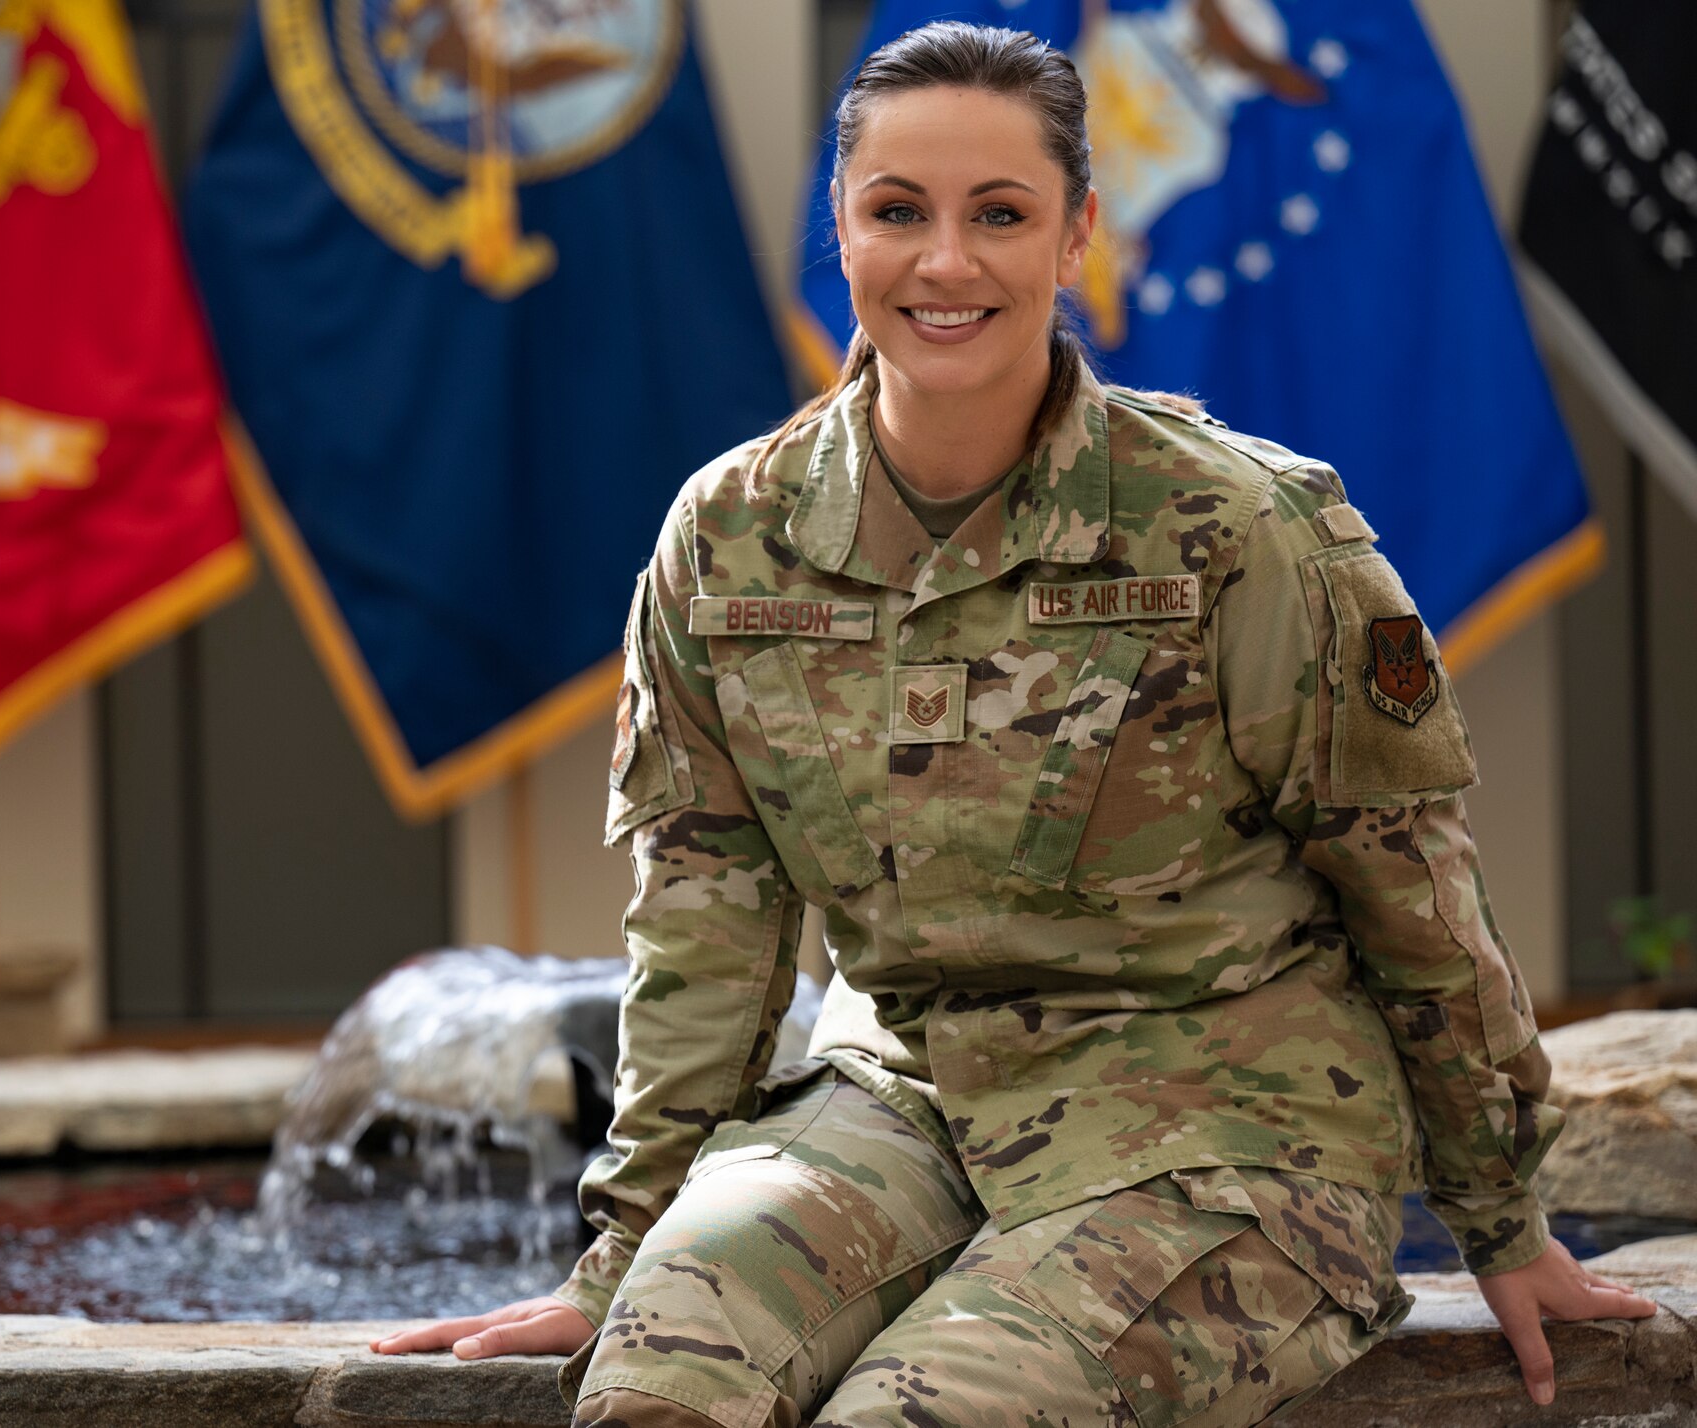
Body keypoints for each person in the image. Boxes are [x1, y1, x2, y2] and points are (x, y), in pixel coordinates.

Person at [374, 21, 1656, 1426]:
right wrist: (625, 1255)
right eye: (896, 212)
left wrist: (1502, 1219)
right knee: (653, 1392)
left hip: (1227, 1132)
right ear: (842, 232)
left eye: (1001, 215)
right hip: (904, 1105)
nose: (946, 261)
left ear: (1076, 235)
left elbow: (1408, 881)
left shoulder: (1241, 526)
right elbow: (704, 928)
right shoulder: (732, 537)